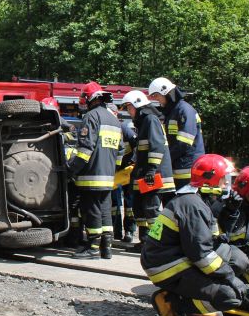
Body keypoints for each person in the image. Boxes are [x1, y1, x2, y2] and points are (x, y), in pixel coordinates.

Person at [141, 154, 247, 316]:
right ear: (209, 180)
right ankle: (172, 303)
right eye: (223, 179)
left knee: (238, 259)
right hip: (167, 267)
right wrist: (229, 277)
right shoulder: (193, 206)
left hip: (176, 257)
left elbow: (216, 238)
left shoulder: (198, 200)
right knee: (230, 296)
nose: (226, 184)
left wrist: (230, 211)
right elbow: (201, 254)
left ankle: (191, 296)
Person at [68, 82, 122, 259]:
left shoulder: (91, 117)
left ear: (89, 98)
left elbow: (85, 149)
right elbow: (120, 150)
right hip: (108, 177)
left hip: (91, 176)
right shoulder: (114, 119)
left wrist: (71, 169)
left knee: (91, 212)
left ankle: (92, 248)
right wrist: (111, 167)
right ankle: (106, 249)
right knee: (105, 211)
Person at [120, 90, 175, 251]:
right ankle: (145, 241)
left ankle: (157, 245)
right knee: (140, 207)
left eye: (129, 108)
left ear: (137, 105)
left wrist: (151, 169)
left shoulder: (150, 120)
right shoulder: (144, 122)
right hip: (145, 174)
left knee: (151, 211)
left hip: (154, 175)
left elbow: (156, 146)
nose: (128, 112)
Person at [148, 77, 205, 189]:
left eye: (157, 96)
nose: (156, 100)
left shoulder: (184, 110)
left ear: (166, 93)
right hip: (179, 167)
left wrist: (166, 158)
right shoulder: (173, 112)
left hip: (188, 170)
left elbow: (184, 143)